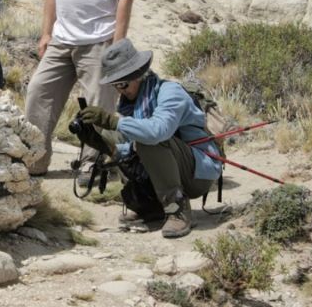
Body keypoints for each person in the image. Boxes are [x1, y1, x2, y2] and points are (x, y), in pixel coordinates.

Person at [23, 0, 138, 177]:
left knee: (99, 106)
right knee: (38, 93)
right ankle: (34, 162)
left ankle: (94, 165)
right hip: (61, 41)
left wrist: (118, 43)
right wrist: (46, 33)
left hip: (98, 41)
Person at [78, 39, 222, 238]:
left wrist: (113, 121)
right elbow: (130, 149)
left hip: (198, 173)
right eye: (115, 85)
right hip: (170, 163)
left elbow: (158, 132)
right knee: (112, 134)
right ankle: (150, 204)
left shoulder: (170, 92)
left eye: (123, 84)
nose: (121, 90)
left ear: (139, 74)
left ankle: (177, 209)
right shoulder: (130, 105)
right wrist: (104, 145)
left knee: (146, 137)